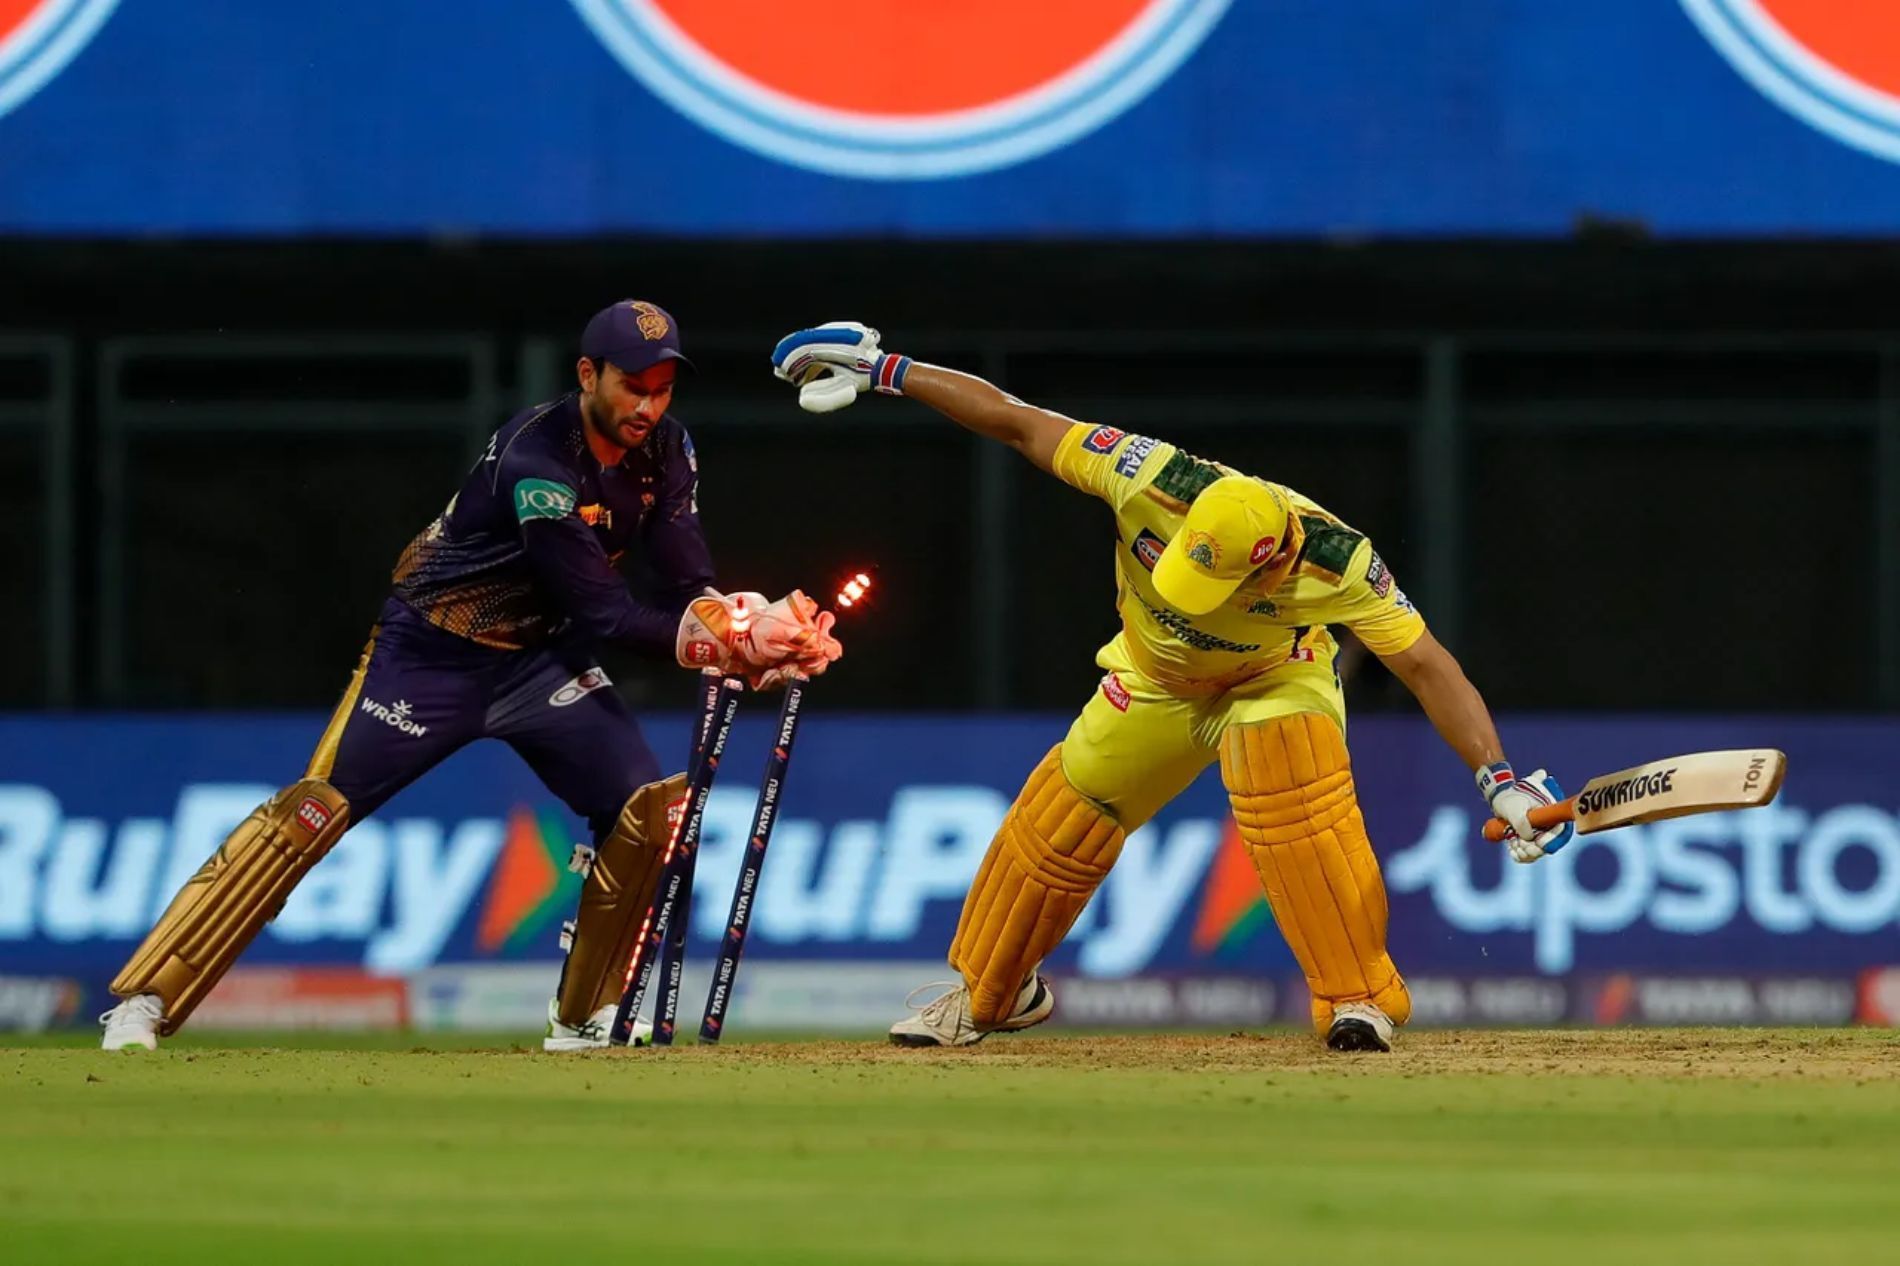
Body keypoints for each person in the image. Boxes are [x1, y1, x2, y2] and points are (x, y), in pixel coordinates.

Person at [770, 321, 1568, 1052]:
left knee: (1285, 769)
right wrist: (888, 369)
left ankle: (1360, 999)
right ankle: (990, 995)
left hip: (1271, 677)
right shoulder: (1145, 473)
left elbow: (1429, 666)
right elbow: (1015, 417)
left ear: (1268, 563)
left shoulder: (1339, 564)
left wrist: (1495, 778)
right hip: (1152, 681)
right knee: (1060, 821)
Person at [98, 300, 841, 1052]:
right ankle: (144, 1000)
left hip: (538, 661)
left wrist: (758, 630)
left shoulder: (669, 450)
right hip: (431, 656)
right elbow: (607, 614)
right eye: (631, 386)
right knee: (311, 813)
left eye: (662, 388)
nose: (648, 406)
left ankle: (584, 1016)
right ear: (588, 374)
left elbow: (690, 579)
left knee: (644, 812)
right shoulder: (536, 461)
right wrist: (730, 649)